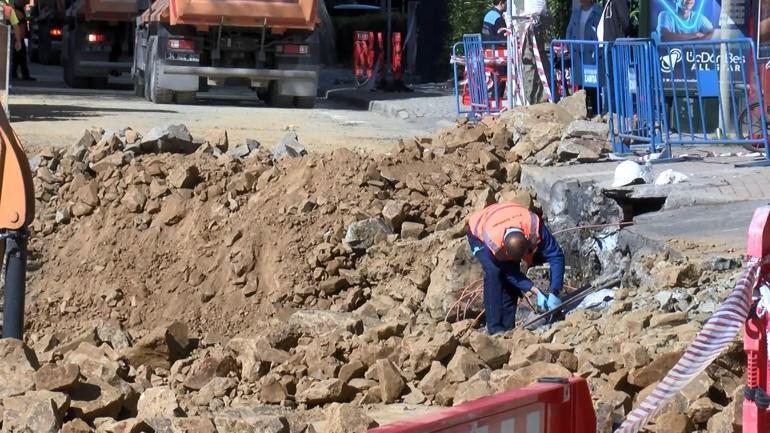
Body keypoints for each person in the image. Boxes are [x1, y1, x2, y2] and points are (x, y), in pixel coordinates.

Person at [466, 202, 565, 335]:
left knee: (510, 274)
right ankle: (494, 328)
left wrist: (555, 290)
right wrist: (536, 291)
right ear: (504, 250)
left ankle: (508, 328)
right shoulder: (492, 241)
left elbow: (556, 255)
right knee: (494, 272)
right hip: (479, 228)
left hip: (513, 216)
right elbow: (509, 272)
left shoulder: (534, 225)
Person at [565, 0, 603, 113]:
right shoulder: (576, 12)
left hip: (592, 54)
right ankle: (582, 114)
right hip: (578, 55)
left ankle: (597, 113)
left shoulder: (598, 11)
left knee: (594, 86)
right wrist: (570, 48)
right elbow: (569, 31)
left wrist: (599, 51)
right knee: (581, 89)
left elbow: (601, 32)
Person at [514, 0, 551, 104]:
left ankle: (545, 97)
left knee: (542, 60)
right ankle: (532, 98)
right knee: (528, 61)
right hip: (524, 21)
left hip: (540, 19)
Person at [9, 1, 34, 81]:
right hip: (18, 37)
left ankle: (15, 73)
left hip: (20, 37)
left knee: (18, 57)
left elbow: (27, 19)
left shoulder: (21, 9)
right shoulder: (16, 11)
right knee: (21, 57)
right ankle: (24, 74)